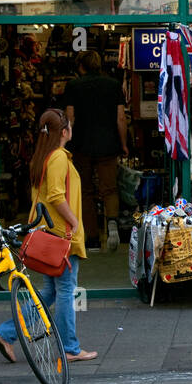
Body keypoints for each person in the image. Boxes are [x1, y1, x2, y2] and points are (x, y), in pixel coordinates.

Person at [0, 109, 97, 364]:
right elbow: (56, 196)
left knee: (50, 292)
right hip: (61, 236)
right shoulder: (59, 157)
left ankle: (6, 333)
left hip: (47, 235)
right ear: (64, 132)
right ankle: (70, 348)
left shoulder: (42, 156)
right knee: (65, 291)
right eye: (70, 127)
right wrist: (74, 221)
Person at [64, 50, 128, 252]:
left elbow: (70, 118)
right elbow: (120, 118)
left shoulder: (74, 86)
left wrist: (64, 144)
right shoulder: (112, 85)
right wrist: (124, 143)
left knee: (85, 191)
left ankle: (91, 238)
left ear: (81, 66)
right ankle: (111, 222)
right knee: (110, 188)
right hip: (108, 144)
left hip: (81, 145)